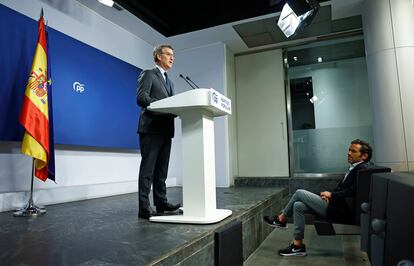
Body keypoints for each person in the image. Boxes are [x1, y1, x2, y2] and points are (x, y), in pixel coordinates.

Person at [263, 139, 373, 256]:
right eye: (349, 150)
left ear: (364, 156)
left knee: (299, 192)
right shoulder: (355, 169)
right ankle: (297, 245)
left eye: (353, 151)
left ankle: (281, 219)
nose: (349, 153)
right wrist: (330, 196)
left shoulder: (361, 170)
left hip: (340, 211)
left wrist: (331, 195)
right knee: (298, 206)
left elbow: (353, 191)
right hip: (335, 205)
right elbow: (343, 189)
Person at [136, 44, 180, 219]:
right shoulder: (148, 74)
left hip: (166, 129)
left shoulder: (170, 81)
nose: (172, 58)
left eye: (173, 55)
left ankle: (161, 202)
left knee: (161, 171)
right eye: (168, 54)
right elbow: (141, 97)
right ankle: (144, 207)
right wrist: (162, 106)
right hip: (151, 128)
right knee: (148, 170)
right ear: (158, 57)